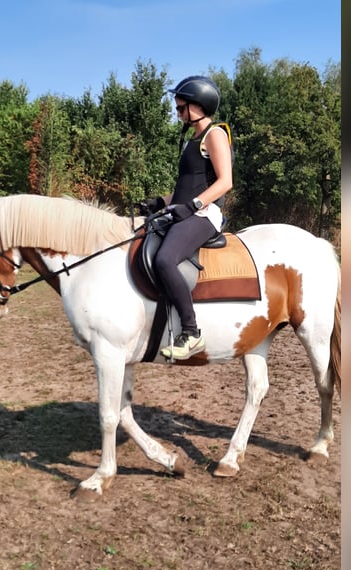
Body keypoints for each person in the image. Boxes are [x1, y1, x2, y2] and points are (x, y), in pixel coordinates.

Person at [143, 76, 234, 360]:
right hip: (185, 210)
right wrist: (161, 202)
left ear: (199, 105)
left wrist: (191, 206)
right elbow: (187, 185)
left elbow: (224, 182)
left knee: (164, 259)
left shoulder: (214, 135)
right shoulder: (193, 140)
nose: (177, 111)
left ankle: (192, 333)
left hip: (205, 214)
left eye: (181, 107)